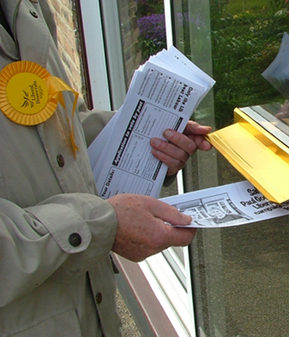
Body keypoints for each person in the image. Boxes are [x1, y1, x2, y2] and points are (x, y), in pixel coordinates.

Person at [0, 1, 212, 335]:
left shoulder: (25, 7)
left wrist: (146, 139)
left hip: (90, 310)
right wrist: (101, 225)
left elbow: (56, 123)